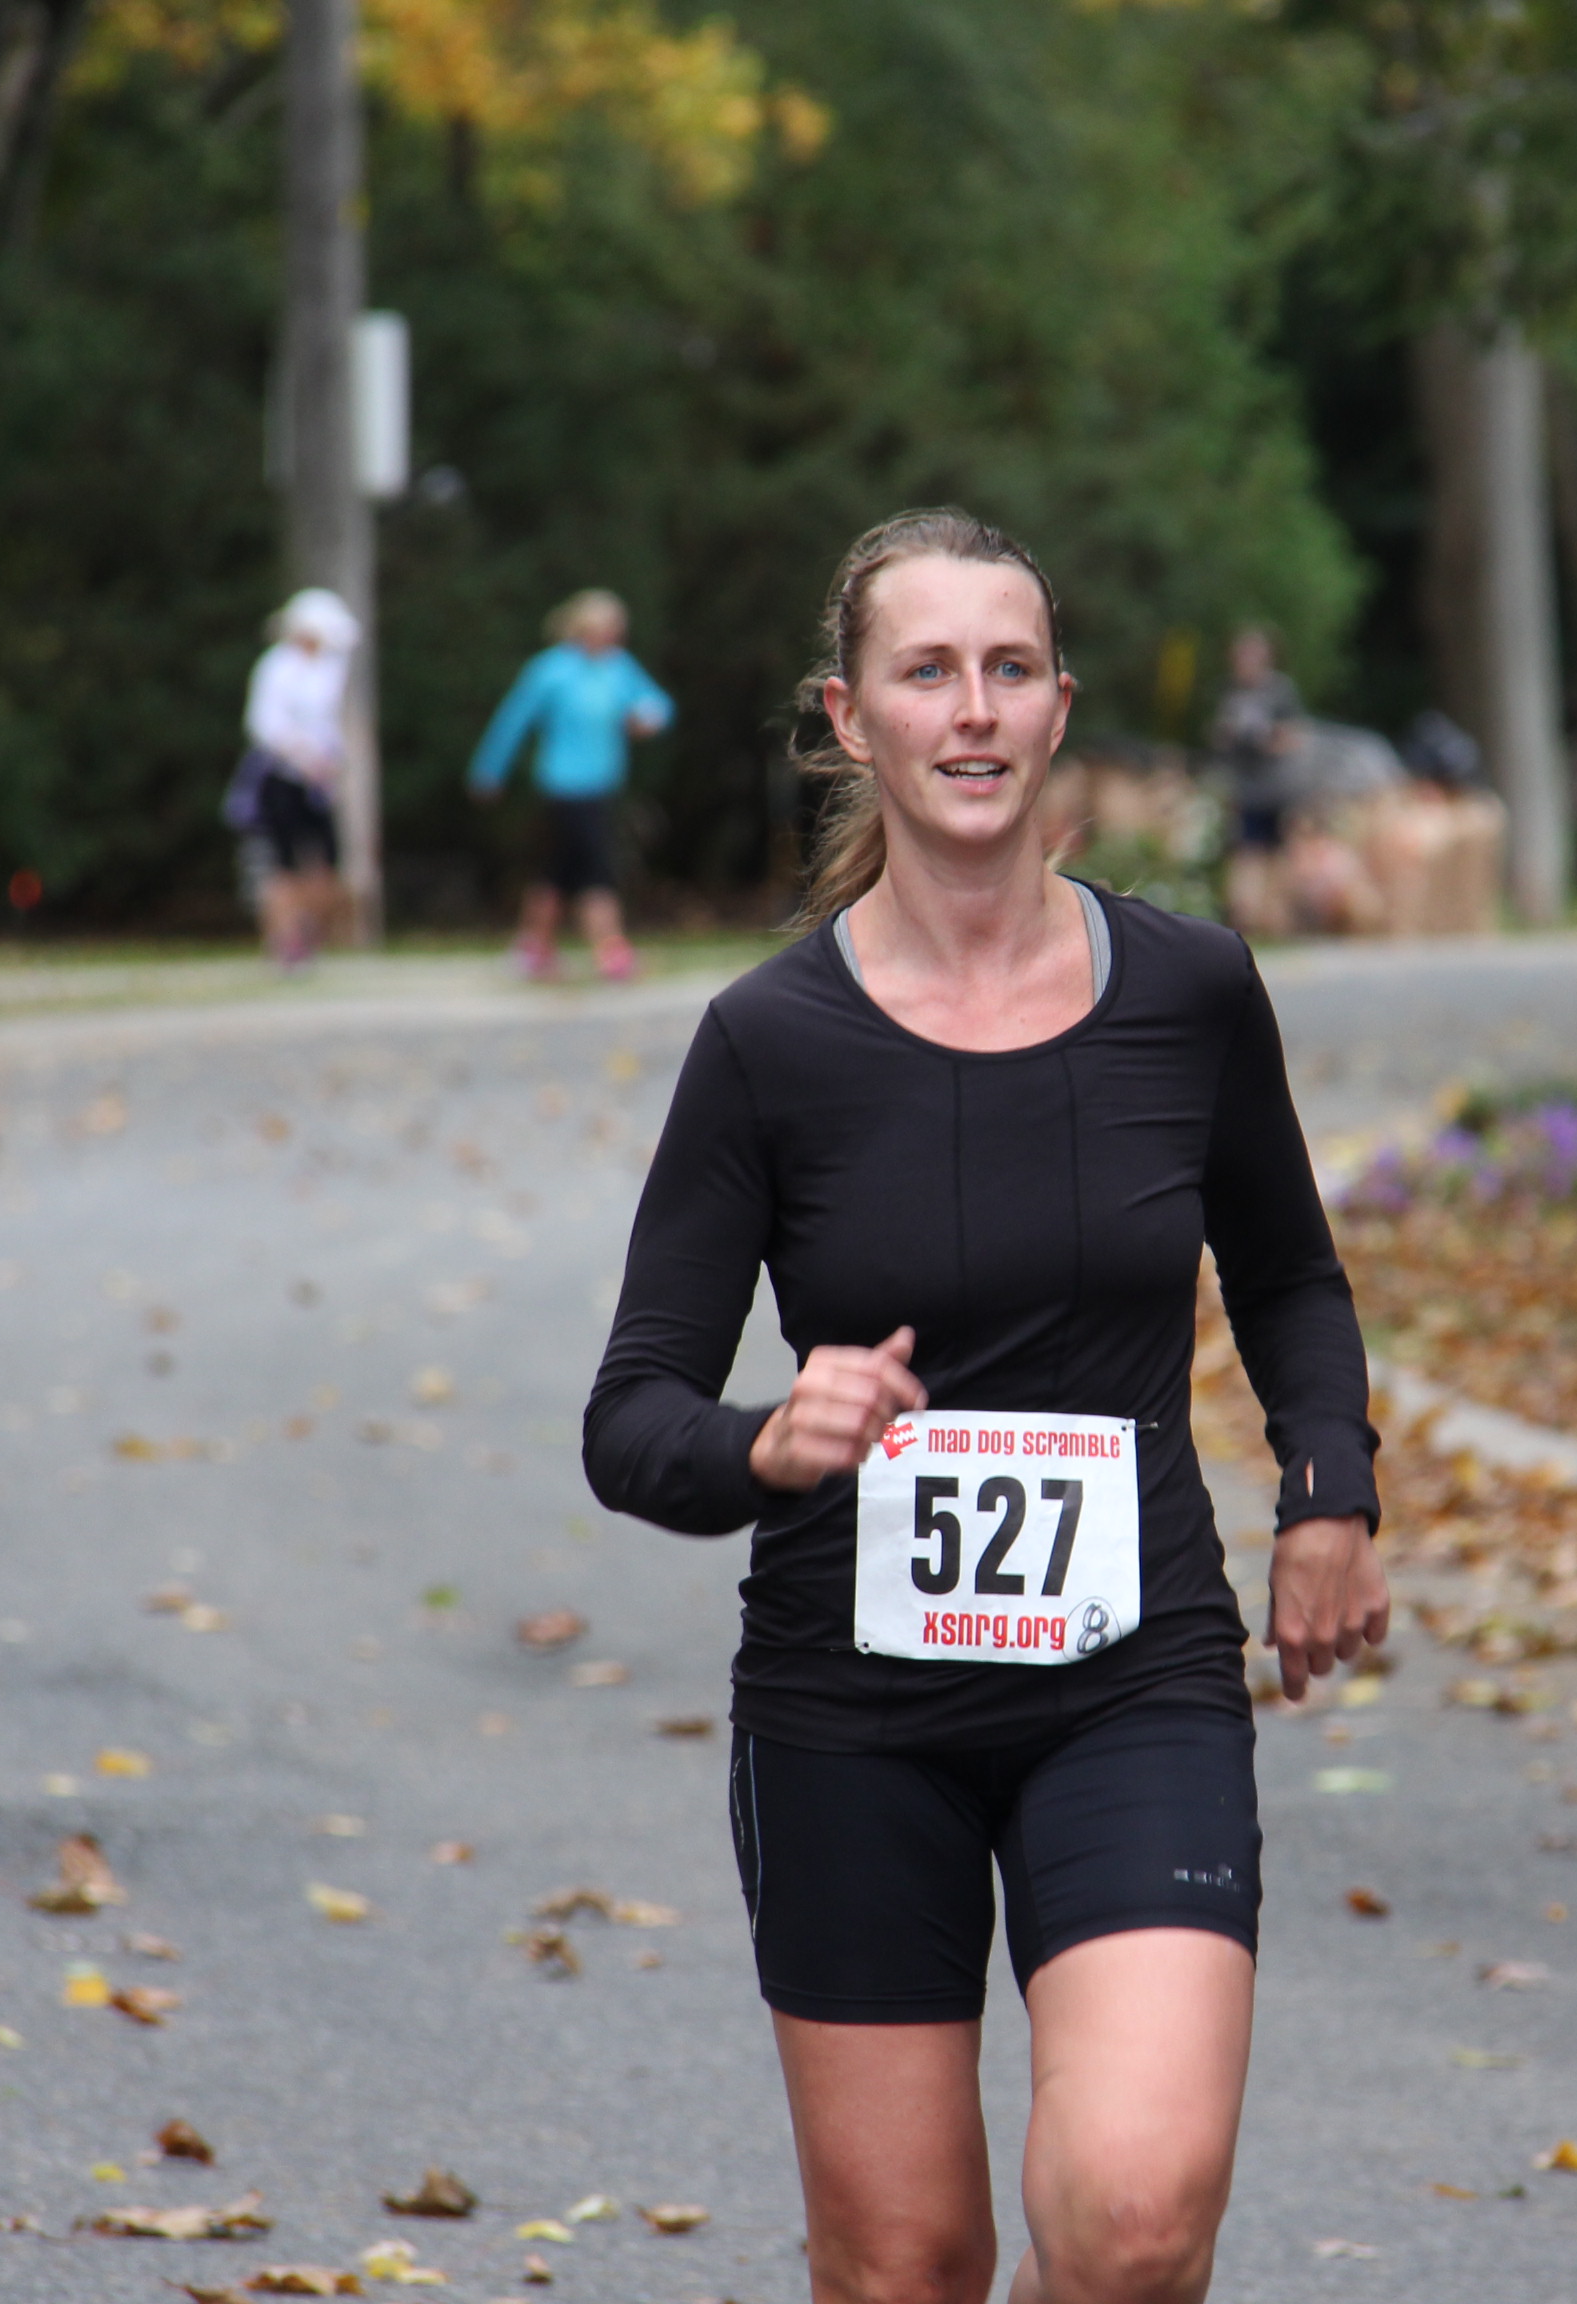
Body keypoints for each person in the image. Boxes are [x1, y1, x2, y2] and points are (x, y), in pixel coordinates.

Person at [583, 509, 1388, 2304]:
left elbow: (1290, 1276)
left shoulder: (1189, 992)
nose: (972, 709)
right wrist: (766, 1440)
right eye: (927, 671)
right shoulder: (769, 1044)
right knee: (906, 2265)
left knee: (1135, 2220)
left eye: (1009, 669)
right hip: (852, 1713)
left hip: (1132, 1678)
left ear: (1057, 707)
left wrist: (1329, 1492)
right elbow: (630, 1414)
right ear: (850, 717)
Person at [466, 589, 672, 982]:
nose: (613, 637)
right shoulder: (551, 670)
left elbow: (658, 705)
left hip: (602, 786)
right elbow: (513, 721)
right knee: (596, 868)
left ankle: (533, 949)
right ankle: (610, 950)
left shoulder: (617, 668)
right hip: (564, 787)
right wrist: (489, 770)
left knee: (558, 870)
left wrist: (647, 719)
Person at [227, 588, 357, 969]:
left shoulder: (330, 668)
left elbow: (327, 725)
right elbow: (264, 724)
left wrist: (331, 759)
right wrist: (303, 756)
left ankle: (308, 934)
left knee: (326, 860)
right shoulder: (277, 666)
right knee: (281, 863)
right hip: (279, 778)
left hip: (316, 783)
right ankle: (285, 941)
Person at [1207, 625, 1304, 942]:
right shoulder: (1229, 691)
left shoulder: (1279, 691)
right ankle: (1245, 918)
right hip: (1243, 788)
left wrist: (1264, 739)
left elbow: (1293, 736)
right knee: (1246, 853)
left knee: (1276, 854)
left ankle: (1275, 919)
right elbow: (1219, 736)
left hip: (1275, 787)